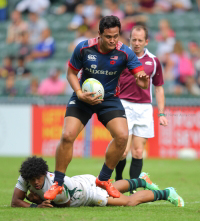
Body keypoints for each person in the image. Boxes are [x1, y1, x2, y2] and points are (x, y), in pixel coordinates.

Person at [44, 15, 149, 200]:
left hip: (108, 99)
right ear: (99, 34)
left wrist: (142, 79)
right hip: (83, 97)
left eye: (116, 36)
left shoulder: (124, 52)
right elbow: (71, 73)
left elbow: (141, 81)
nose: (113, 40)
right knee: (67, 136)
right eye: (108, 36)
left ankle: (104, 179)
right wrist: (78, 92)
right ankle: (58, 183)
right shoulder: (84, 48)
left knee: (123, 136)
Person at [11, 156, 184, 208]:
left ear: (45, 173)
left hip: (88, 194)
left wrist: (39, 201)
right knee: (112, 187)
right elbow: (14, 202)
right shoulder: (26, 176)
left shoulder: (56, 186)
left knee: (130, 202)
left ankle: (167, 193)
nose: (35, 182)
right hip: (81, 180)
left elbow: (65, 205)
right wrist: (35, 206)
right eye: (32, 180)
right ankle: (141, 180)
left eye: (38, 178)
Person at [115, 25, 168, 183]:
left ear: (146, 41)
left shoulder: (153, 61)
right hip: (124, 105)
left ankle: (132, 187)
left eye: (140, 40)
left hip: (144, 108)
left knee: (138, 152)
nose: (136, 43)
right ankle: (118, 179)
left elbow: (158, 88)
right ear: (129, 39)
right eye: (134, 39)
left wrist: (162, 113)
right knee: (123, 152)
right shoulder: (121, 57)